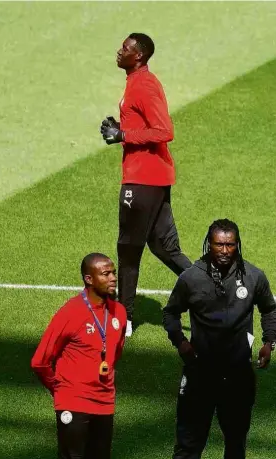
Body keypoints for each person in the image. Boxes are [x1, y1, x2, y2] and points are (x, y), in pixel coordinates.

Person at [149, 219, 276, 459]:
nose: (224, 250)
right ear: (209, 244)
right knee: (189, 441)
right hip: (199, 374)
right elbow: (170, 313)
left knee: (236, 441)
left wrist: (269, 342)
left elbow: (269, 308)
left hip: (237, 376)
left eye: (229, 244)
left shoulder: (254, 276)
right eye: (218, 244)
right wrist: (180, 343)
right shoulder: (192, 278)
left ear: (237, 244)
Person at [31, 253, 127, 459]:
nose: (112, 278)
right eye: (105, 274)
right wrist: (60, 391)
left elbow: (114, 355)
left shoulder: (119, 313)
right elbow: (40, 361)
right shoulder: (70, 313)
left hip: (104, 400)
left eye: (113, 272)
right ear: (88, 279)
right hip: (73, 400)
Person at [100, 33, 191, 337]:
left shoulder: (144, 84)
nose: (119, 51)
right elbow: (143, 126)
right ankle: (217, 292)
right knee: (164, 248)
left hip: (143, 179)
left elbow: (164, 130)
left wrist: (124, 136)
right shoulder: (135, 82)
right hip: (153, 176)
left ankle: (122, 320)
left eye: (125, 49)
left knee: (128, 248)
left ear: (138, 56)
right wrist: (119, 129)